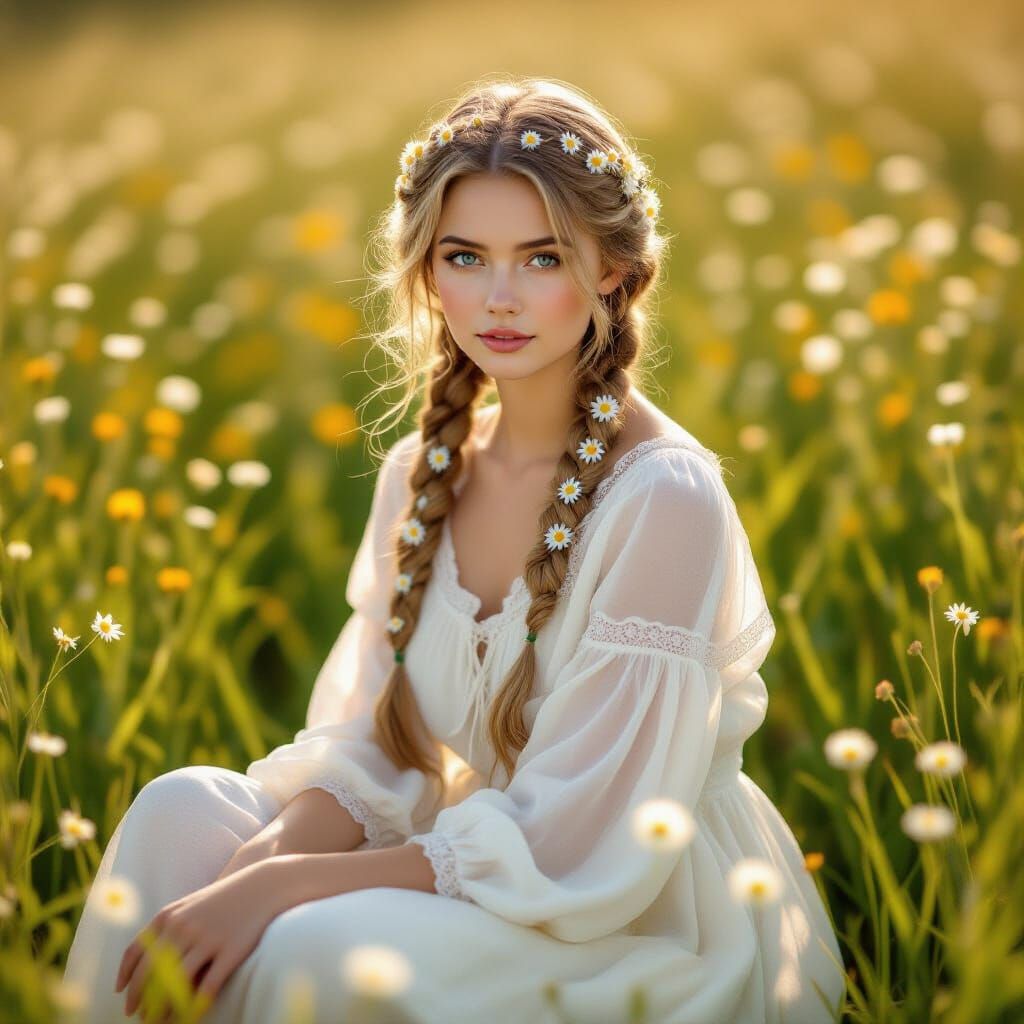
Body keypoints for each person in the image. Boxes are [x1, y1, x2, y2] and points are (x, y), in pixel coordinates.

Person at [62, 76, 846, 1023]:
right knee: (179, 812)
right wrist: (269, 858)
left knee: (312, 940)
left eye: (543, 257)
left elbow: (581, 841)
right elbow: (376, 737)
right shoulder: (420, 471)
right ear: (428, 270)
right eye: (466, 257)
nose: (499, 299)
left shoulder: (663, 500)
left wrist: (284, 891)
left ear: (612, 271)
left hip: (619, 910)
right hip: (466, 846)